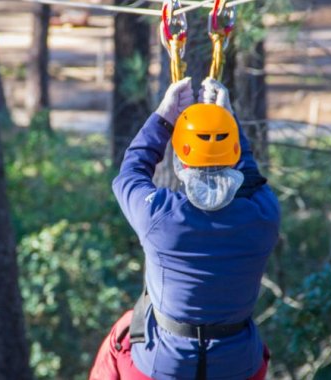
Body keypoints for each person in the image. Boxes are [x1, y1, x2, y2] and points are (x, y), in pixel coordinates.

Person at [90, 77, 280, 380]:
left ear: (182, 158)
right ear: (232, 151)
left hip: (163, 365)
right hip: (237, 365)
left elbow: (129, 174)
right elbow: (251, 176)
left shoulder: (161, 215)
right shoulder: (264, 214)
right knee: (257, 349)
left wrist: (164, 118)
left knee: (121, 334)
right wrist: (227, 122)